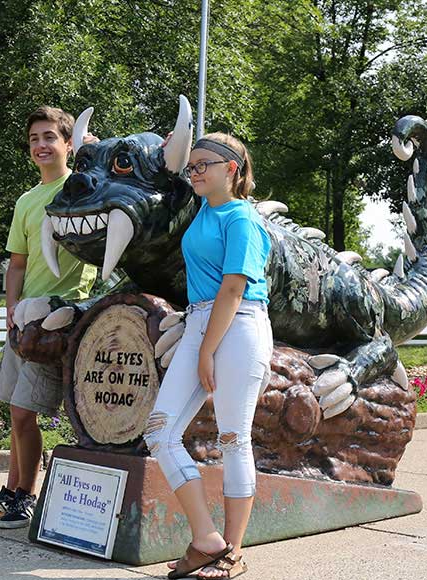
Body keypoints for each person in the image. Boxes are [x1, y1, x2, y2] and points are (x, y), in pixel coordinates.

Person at [143, 133, 272, 579]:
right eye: (192, 166)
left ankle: (232, 552)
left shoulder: (242, 219)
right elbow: (159, 182)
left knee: (233, 438)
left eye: (204, 165)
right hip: (203, 322)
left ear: (231, 169)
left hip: (237, 326)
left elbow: (235, 288)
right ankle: (206, 539)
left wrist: (206, 349)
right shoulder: (203, 211)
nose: (194, 172)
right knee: (159, 432)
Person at [0, 106, 97, 529]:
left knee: (25, 413)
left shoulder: (82, 190)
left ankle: (26, 495)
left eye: (50, 137)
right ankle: (11, 490)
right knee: (14, 413)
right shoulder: (26, 200)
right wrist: (11, 308)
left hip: (58, 320)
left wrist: (92, 155)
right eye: (34, 139)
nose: (41, 145)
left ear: (68, 144)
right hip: (24, 320)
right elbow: (17, 263)